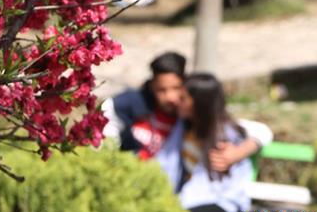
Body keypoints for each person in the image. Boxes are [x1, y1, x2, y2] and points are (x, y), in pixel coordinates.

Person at [102, 52, 272, 167]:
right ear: (151, 85)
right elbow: (108, 120)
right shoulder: (133, 104)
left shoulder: (187, 113)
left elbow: (261, 131)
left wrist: (238, 153)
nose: (170, 97)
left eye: (176, 88)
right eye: (162, 90)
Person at [156, 73, 253, 212]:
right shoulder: (185, 126)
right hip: (190, 197)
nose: (177, 102)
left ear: (199, 103)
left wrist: (239, 152)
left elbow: (261, 132)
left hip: (220, 202)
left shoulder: (225, 134)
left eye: (183, 98)